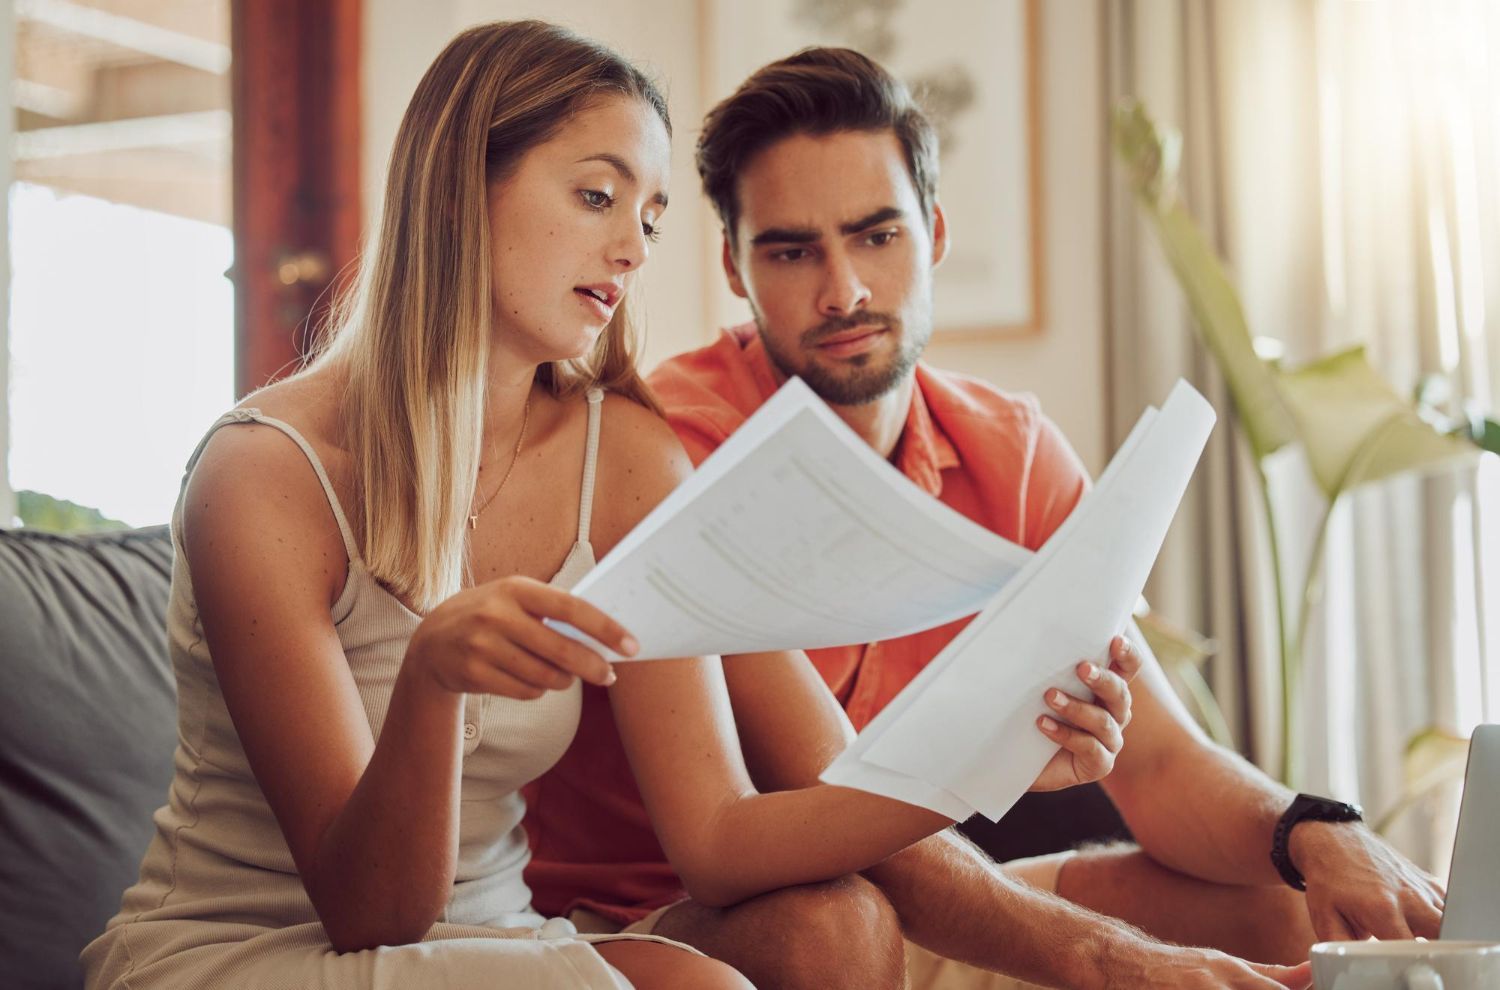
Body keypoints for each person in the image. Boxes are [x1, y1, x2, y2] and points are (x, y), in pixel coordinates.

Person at [79, 21, 1133, 990]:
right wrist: (430, 685)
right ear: (457, 192)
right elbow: (370, 914)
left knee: (809, 938)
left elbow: (717, 837)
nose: (632, 248)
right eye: (597, 196)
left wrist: (987, 765)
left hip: (496, 937)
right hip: (250, 949)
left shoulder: (624, 456)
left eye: (651, 217)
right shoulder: (264, 476)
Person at [522, 46, 1444, 990]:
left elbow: (1163, 768)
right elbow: (841, 819)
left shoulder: (1014, 454)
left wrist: (1316, 831)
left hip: (922, 899)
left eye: (877, 236)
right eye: (793, 251)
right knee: (833, 925)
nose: (843, 291)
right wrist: (1113, 961)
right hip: (686, 923)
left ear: (935, 231)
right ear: (734, 266)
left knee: (1287, 908)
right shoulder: (674, 447)